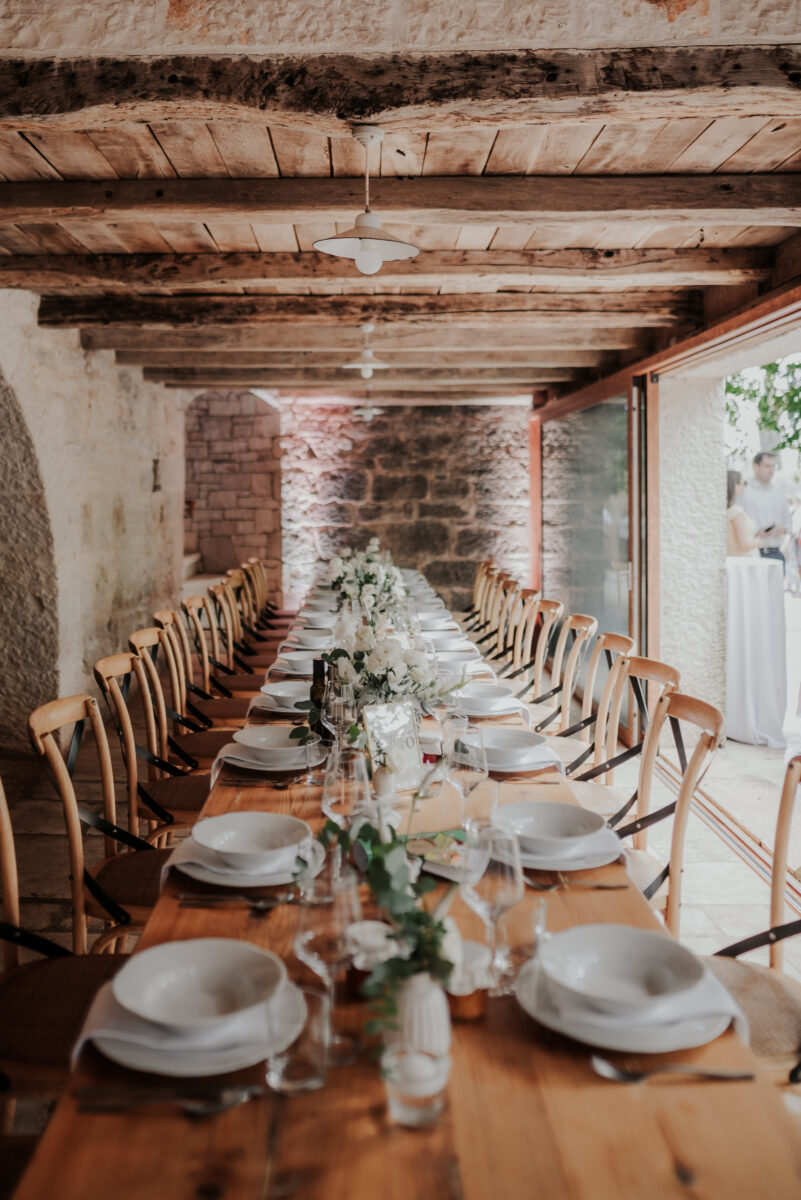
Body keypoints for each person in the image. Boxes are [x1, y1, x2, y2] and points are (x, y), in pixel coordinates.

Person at [740, 451, 791, 563]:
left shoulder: (780, 494)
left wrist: (784, 528)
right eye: (767, 466)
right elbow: (738, 523)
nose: (771, 470)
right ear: (756, 466)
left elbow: (788, 523)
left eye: (773, 466)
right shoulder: (744, 492)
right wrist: (756, 534)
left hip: (777, 554)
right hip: (753, 554)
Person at [726, 470, 761, 557]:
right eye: (743, 483)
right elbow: (743, 545)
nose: (744, 486)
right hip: (743, 562)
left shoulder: (729, 510)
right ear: (735, 485)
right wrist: (759, 541)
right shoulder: (735, 511)